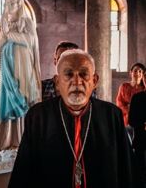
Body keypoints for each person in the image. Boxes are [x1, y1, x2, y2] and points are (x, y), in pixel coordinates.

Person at [9, 49, 139, 187]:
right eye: (69, 74)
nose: (77, 82)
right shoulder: (38, 117)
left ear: (94, 81)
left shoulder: (111, 115)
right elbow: (23, 173)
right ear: (57, 82)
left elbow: (127, 171)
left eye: (83, 74)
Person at [0, 0, 41, 151]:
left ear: (19, 6)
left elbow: (30, 41)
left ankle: (23, 141)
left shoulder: (27, 23)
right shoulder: (2, 25)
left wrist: (9, 35)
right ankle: (5, 142)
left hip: (22, 73)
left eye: (12, 4)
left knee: (24, 106)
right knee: (6, 108)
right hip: (6, 75)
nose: (8, 8)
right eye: (6, 4)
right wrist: (3, 36)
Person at [129, 69, 146, 187]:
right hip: (141, 140)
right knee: (141, 173)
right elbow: (131, 120)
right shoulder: (137, 98)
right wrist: (143, 125)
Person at [116, 62, 145, 127]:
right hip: (126, 120)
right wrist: (130, 110)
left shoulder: (144, 89)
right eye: (135, 71)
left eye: (140, 71)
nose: (137, 73)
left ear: (143, 74)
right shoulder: (124, 86)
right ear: (131, 73)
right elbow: (119, 103)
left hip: (141, 121)